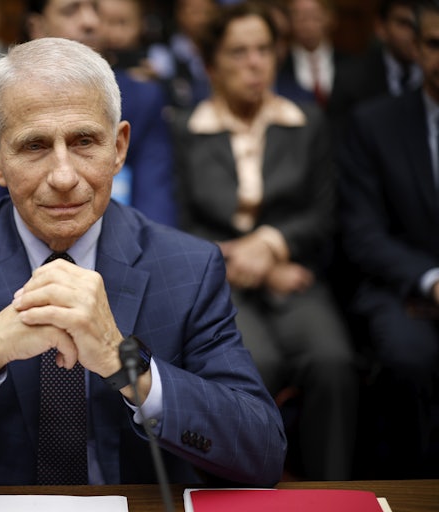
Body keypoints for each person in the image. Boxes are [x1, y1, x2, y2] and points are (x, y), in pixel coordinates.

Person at [0, 36, 287, 494]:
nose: (63, 176)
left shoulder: (188, 267)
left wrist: (126, 365)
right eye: (34, 146)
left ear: (119, 147)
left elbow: (262, 454)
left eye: (84, 142)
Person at [168, 2, 358, 481]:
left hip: (292, 273)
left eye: (264, 50)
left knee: (333, 362)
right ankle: (245, 492)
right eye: (238, 52)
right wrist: (241, 258)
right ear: (210, 65)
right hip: (217, 281)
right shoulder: (186, 128)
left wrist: (269, 247)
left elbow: (322, 214)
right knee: (256, 365)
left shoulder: (305, 121)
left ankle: (331, 491)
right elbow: (179, 221)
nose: (255, 63)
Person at [0, 0, 177, 227]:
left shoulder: (142, 96)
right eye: (71, 11)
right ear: (37, 26)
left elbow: (154, 198)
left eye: (96, 9)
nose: (90, 22)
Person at [336, 0, 439, 478]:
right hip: (401, 285)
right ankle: (416, 491)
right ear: (415, 47)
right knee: (409, 356)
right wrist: (430, 280)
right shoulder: (375, 122)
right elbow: (362, 233)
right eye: (435, 43)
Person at [327, 0, 422, 124]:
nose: (413, 33)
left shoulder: (433, 76)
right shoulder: (351, 79)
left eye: (418, 24)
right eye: (404, 23)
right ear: (380, 28)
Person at [147, 0, 215, 109]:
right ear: (179, 14)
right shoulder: (163, 54)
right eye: (195, 12)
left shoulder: (219, 52)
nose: (202, 19)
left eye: (207, 12)